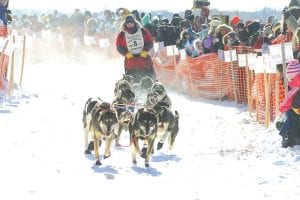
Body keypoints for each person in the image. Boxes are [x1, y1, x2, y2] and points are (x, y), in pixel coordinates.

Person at [116, 14, 156, 83]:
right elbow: (119, 46)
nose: (130, 24)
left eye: (131, 22)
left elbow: (149, 41)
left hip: (144, 59)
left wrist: (146, 50)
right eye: (128, 23)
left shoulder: (143, 31)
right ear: (125, 24)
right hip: (131, 61)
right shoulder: (121, 34)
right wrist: (125, 53)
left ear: (134, 23)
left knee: (149, 76)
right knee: (132, 78)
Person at [279, 59, 300, 148]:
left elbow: (286, 103)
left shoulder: (295, 86)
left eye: (290, 77)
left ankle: (290, 137)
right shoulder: (295, 85)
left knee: (290, 113)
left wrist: (282, 107)